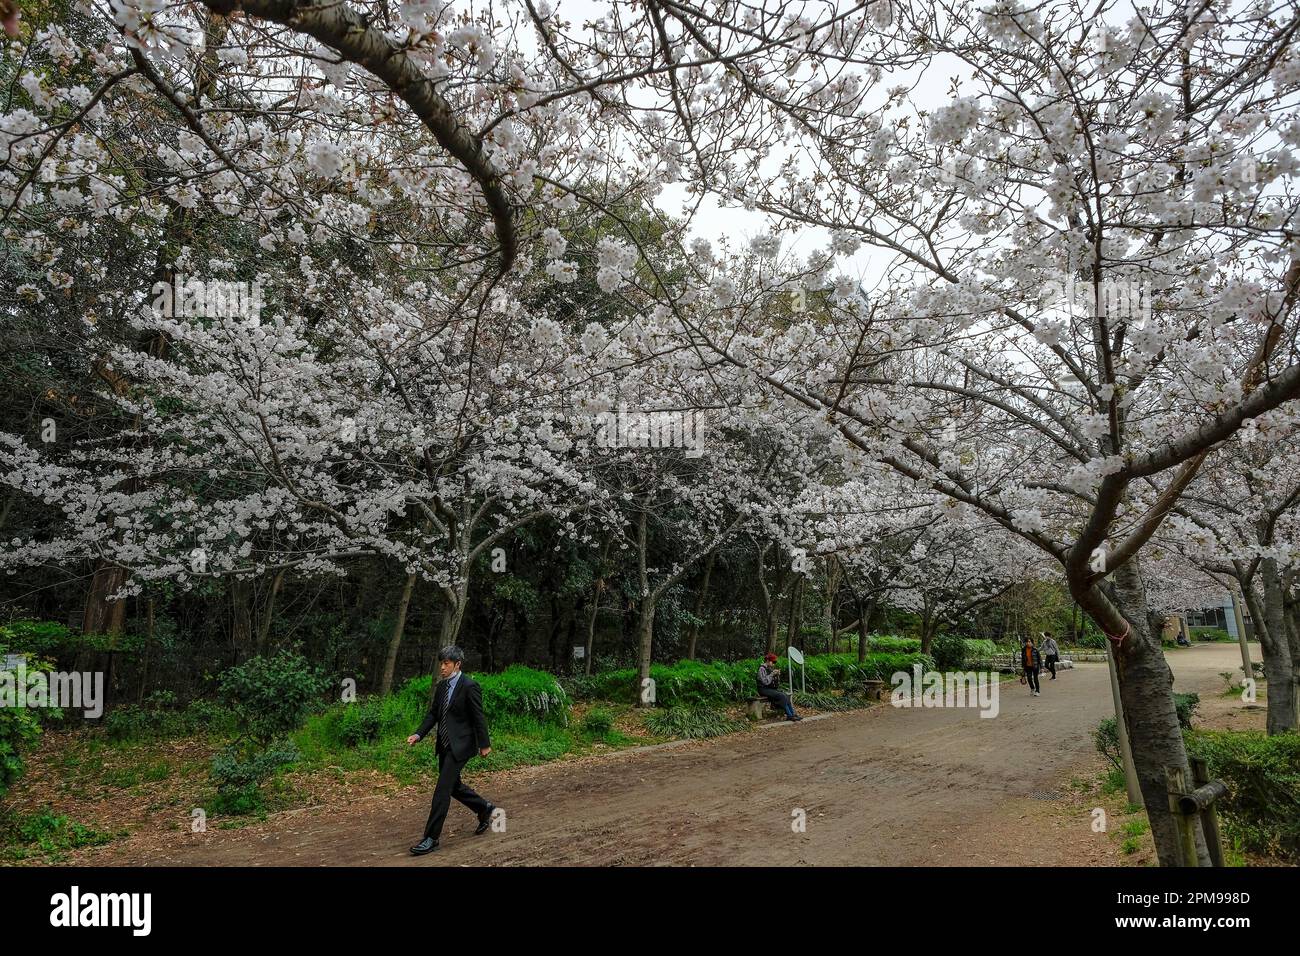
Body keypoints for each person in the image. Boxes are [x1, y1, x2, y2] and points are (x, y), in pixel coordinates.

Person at [407, 646, 497, 855]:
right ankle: (485, 808)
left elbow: (478, 717)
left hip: (462, 746)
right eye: (441, 663)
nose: (443, 667)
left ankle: (431, 838)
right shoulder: (441, 687)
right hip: (445, 745)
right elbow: (433, 715)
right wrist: (418, 734)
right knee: (454, 787)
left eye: (447, 663)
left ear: (457, 665)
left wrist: (484, 744)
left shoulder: (470, 686)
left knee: (442, 790)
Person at [757, 653, 802, 721]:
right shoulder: (762, 669)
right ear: (768, 661)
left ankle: (793, 714)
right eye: (773, 662)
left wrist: (776, 675)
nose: (774, 664)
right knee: (781, 696)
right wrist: (772, 674)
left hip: (770, 689)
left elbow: (774, 683)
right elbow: (765, 682)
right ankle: (789, 715)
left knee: (786, 695)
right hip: (763, 689)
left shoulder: (770, 668)